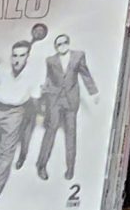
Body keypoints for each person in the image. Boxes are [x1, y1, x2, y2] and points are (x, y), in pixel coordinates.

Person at [0, 24, 50, 210]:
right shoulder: (1, 69)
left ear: (27, 57)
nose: (17, 59)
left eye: (22, 55)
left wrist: (40, 114)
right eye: (15, 55)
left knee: (6, 155)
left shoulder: (34, 74)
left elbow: (35, 98)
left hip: (15, 113)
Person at [34, 32, 101, 185]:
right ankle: (41, 165)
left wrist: (94, 92)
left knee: (71, 133)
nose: (62, 46)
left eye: (64, 42)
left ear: (68, 43)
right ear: (55, 47)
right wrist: (43, 94)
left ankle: (70, 168)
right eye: (59, 44)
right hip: (55, 100)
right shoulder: (50, 60)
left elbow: (85, 74)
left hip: (71, 100)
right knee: (50, 130)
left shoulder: (78, 56)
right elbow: (48, 78)